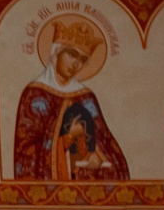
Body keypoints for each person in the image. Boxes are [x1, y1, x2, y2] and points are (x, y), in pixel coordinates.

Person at [10, 20, 127, 180]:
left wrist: (96, 155)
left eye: (83, 59)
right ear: (57, 52)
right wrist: (65, 139)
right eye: (72, 54)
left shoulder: (86, 97)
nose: (76, 64)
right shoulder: (34, 94)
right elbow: (26, 150)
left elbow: (105, 141)